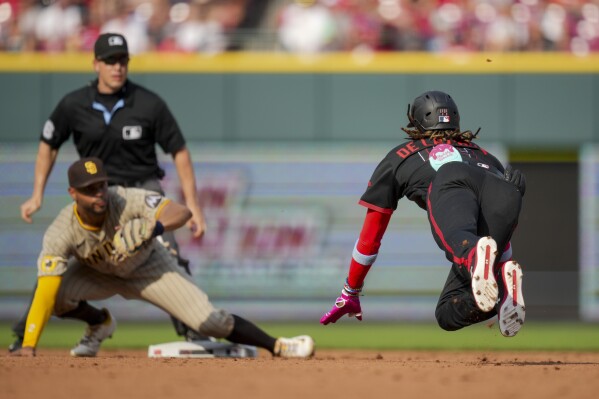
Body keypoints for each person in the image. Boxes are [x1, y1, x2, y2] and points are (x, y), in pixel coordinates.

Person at [11, 32, 207, 353]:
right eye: (110, 61)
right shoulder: (74, 104)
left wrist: (194, 207)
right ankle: (24, 336)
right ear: (96, 64)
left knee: (169, 253)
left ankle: (196, 330)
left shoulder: (148, 103)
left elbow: (180, 151)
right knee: (55, 259)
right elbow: (48, 145)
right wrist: (37, 194)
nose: (117, 67)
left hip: (141, 190)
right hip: (95, 196)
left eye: (123, 61)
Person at [11, 157, 315, 359]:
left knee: (210, 322)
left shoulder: (123, 198)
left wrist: (155, 225)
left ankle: (277, 345)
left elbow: (180, 212)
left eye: (101, 185)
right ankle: (100, 323)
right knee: (56, 297)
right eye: (90, 190)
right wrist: (28, 346)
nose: (99, 193)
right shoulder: (61, 230)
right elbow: (46, 290)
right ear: (72, 193)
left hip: (149, 267)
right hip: (98, 273)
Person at [320, 91, 527, 337]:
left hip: (452, 181)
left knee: (465, 244)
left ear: (417, 121)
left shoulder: (401, 156)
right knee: (447, 314)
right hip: (507, 191)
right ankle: (504, 290)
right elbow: (497, 237)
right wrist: (502, 265)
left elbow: (370, 238)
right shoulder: (486, 156)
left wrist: (350, 291)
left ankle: (474, 258)